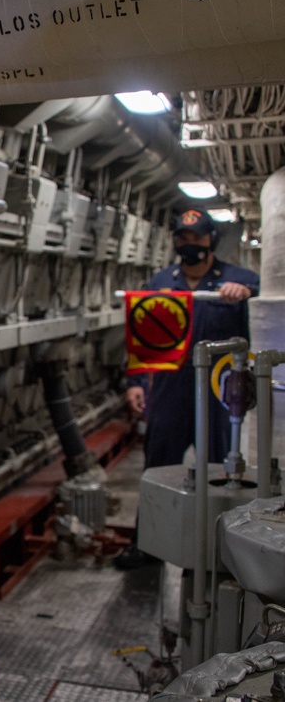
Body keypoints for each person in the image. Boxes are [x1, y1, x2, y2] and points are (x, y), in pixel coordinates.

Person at [118, 207, 259, 569]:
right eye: (183, 238)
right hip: (169, 390)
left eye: (196, 238)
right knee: (157, 467)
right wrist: (135, 382)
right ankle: (147, 546)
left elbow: (263, 312)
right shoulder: (161, 282)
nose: (189, 244)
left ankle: (220, 549)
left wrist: (246, 293)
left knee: (219, 471)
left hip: (216, 391)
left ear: (211, 240)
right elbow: (143, 335)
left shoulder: (238, 280)